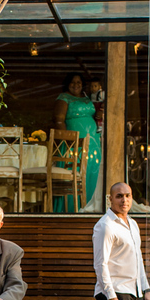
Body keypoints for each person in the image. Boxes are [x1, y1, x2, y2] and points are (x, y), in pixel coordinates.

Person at [54, 72, 102, 210]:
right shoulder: (63, 98)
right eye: (73, 82)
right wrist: (67, 140)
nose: (76, 85)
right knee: (75, 175)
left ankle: (89, 205)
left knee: (92, 173)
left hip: (93, 144)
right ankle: (72, 208)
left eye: (79, 82)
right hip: (73, 145)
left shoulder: (87, 98)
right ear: (67, 84)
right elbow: (58, 120)